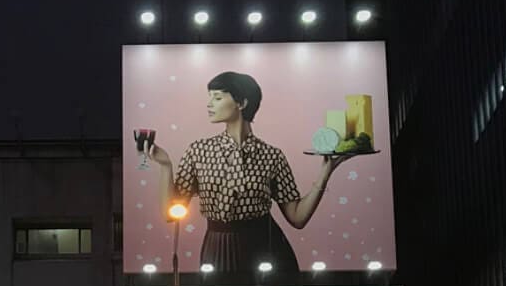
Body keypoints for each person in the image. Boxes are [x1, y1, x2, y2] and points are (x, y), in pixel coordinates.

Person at [150, 71, 357, 274]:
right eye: (209, 97)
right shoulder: (198, 152)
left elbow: (297, 218)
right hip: (217, 247)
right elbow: (171, 213)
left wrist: (326, 172)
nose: (209, 104)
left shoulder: (271, 155)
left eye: (218, 97)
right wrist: (166, 166)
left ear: (241, 103)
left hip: (268, 249)